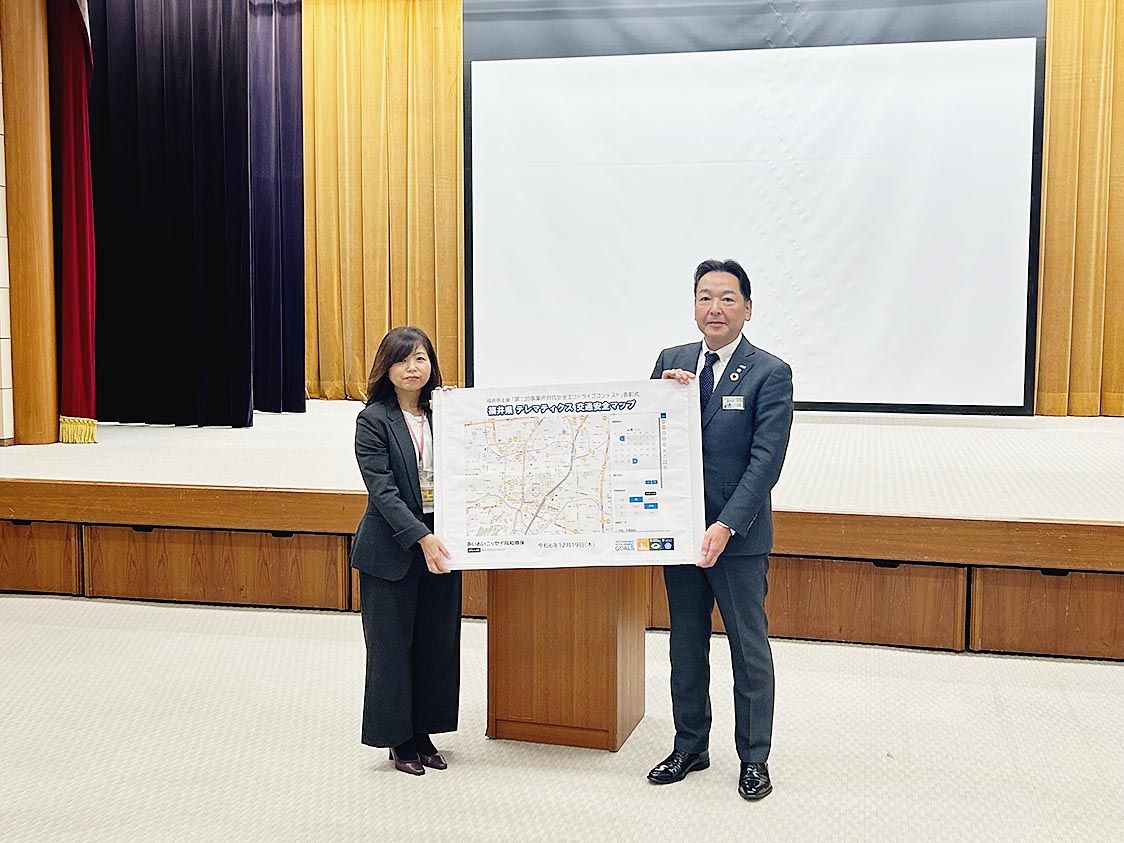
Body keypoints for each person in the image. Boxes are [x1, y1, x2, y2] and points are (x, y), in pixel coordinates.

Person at [647, 258, 793, 801]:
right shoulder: (672, 361)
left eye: (728, 298)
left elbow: (766, 462)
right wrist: (662, 397)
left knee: (747, 651)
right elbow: (645, 434)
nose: (715, 308)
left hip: (737, 538)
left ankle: (754, 758)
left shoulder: (769, 372)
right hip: (682, 533)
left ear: (747, 309)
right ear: (694, 307)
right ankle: (690, 745)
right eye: (705, 297)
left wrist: (727, 524)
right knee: (685, 645)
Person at [352, 326, 460, 776]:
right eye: (402, 360)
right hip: (392, 547)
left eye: (420, 359)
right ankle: (399, 739)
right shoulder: (373, 419)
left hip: (443, 542)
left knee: (436, 644)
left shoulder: (446, 414)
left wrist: (459, 410)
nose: (412, 368)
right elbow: (382, 491)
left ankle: (423, 731)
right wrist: (421, 536)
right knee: (392, 649)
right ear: (387, 368)